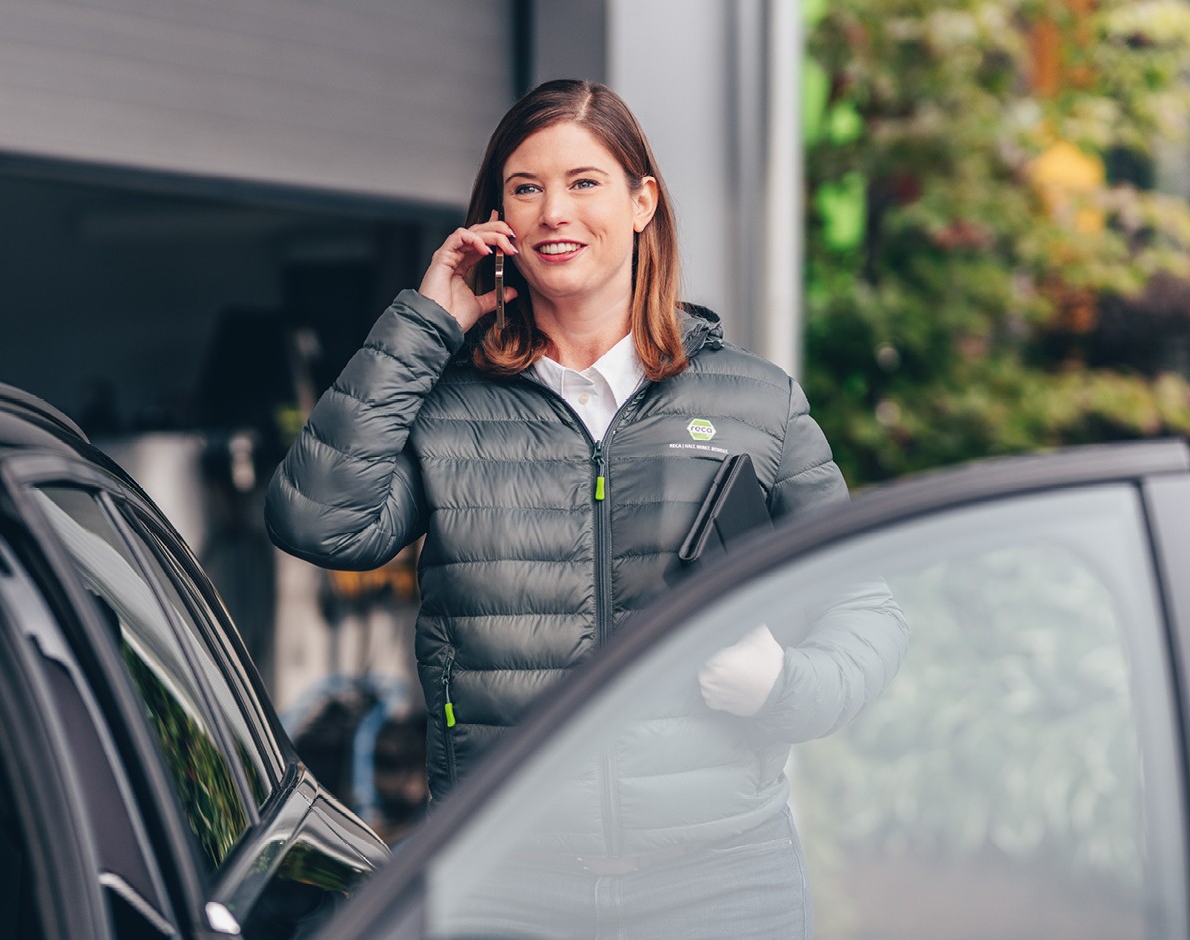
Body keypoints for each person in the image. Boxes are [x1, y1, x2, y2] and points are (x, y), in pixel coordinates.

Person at [267, 79, 907, 938]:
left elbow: (865, 605)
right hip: (501, 880)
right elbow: (317, 519)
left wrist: (783, 689)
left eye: (584, 183)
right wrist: (426, 320)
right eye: (525, 188)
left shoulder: (755, 399)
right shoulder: (451, 405)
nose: (552, 212)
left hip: (721, 885)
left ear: (643, 201)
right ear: (498, 218)